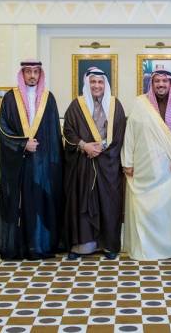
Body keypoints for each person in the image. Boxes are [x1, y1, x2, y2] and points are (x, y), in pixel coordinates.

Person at [122, 69, 171, 260]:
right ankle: (146, 249)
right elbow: (130, 133)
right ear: (151, 83)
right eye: (157, 81)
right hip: (147, 168)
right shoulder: (140, 104)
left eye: (165, 80)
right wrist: (127, 162)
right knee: (148, 211)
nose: (161, 84)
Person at [0, 59, 63, 260]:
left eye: (36, 71)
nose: (32, 75)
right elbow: (3, 129)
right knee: (21, 203)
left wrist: (52, 164)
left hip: (43, 164)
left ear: (40, 74)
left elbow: (54, 133)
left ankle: (41, 245)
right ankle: (20, 247)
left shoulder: (48, 98)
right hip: (20, 162)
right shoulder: (10, 98)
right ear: (22, 74)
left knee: (40, 202)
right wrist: (22, 144)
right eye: (28, 71)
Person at [63, 67, 126, 260]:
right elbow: (68, 130)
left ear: (105, 84)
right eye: (93, 82)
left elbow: (120, 133)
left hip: (108, 165)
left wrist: (100, 147)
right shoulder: (76, 105)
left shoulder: (115, 105)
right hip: (83, 164)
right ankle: (82, 246)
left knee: (109, 204)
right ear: (87, 83)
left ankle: (109, 245)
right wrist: (84, 146)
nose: (96, 86)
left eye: (100, 82)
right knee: (81, 202)